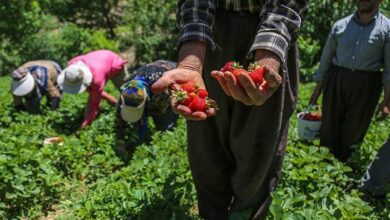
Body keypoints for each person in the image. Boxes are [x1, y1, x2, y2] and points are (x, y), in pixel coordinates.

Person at [151, 1, 308, 219]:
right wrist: (190, 63)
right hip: (209, 39)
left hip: (269, 37)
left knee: (259, 151)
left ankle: (247, 215)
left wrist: (268, 56)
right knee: (206, 149)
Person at [308, 0, 390, 161]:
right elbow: (326, 60)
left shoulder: (386, 29)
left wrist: (386, 101)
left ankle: (345, 166)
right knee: (329, 124)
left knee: (354, 128)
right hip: (337, 78)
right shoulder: (340, 25)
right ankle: (325, 165)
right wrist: (317, 91)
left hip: (367, 83)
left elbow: (389, 68)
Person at [114, 60, 178, 161]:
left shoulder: (160, 91)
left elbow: (161, 111)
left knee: (163, 121)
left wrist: (145, 115)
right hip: (151, 70)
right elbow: (119, 117)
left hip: (170, 71)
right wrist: (120, 140)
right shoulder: (126, 91)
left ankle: (165, 135)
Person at [57, 50, 128, 128]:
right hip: (100, 62)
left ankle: (130, 114)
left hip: (114, 64)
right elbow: (93, 90)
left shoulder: (97, 79)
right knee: (94, 95)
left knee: (127, 92)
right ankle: (113, 102)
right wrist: (107, 97)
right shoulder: (72, 67)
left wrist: (87, 121)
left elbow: (94, 103)